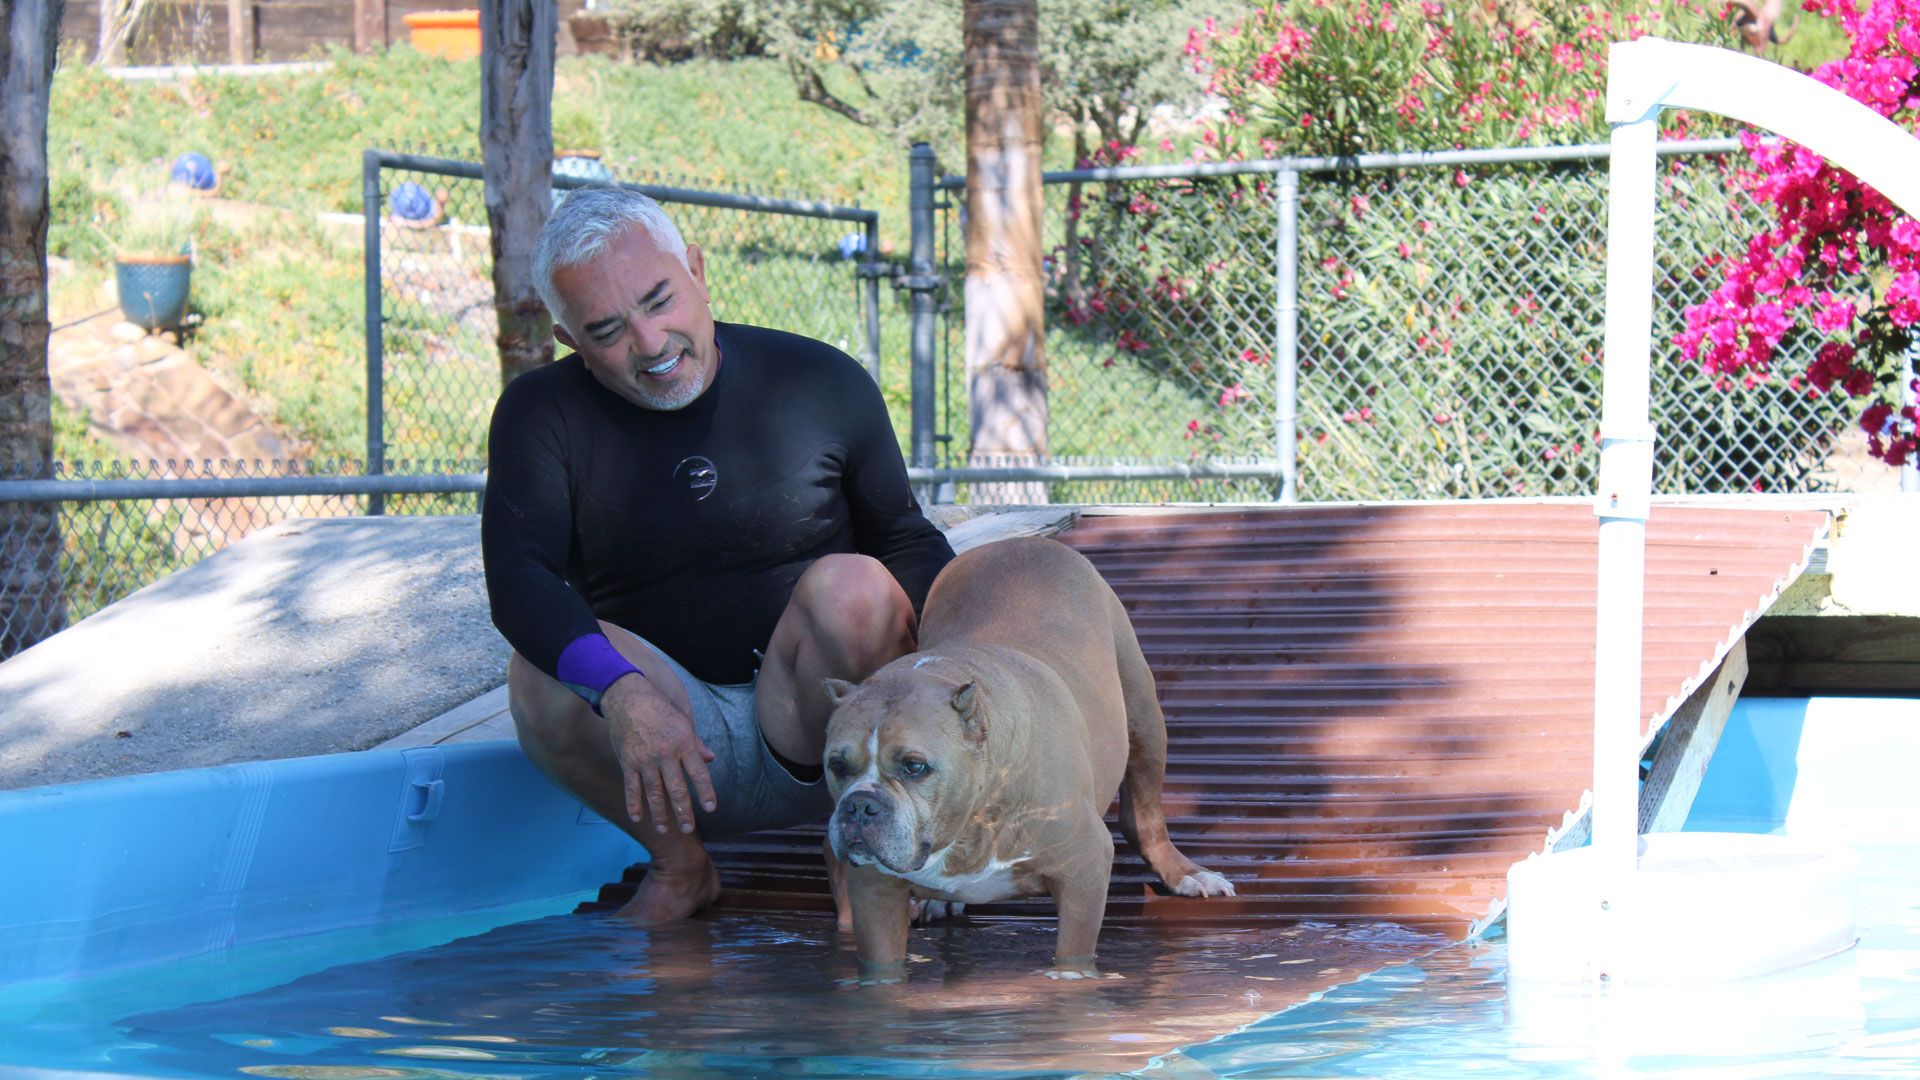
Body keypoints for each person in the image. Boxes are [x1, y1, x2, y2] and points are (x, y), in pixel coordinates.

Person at [482, 186, 954, 924]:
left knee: (856, 587)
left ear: (697, 271)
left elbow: (905, 540)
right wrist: (623, 692)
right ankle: (680, 865)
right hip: (661, 746)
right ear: (570, 339)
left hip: (820, 720)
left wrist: (976, 661)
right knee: (540, 672)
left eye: (659, 299)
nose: (650, 343)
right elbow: (519, 581)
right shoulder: (542, 415)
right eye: (607, 329)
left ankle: (861, 860)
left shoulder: (817, 380)